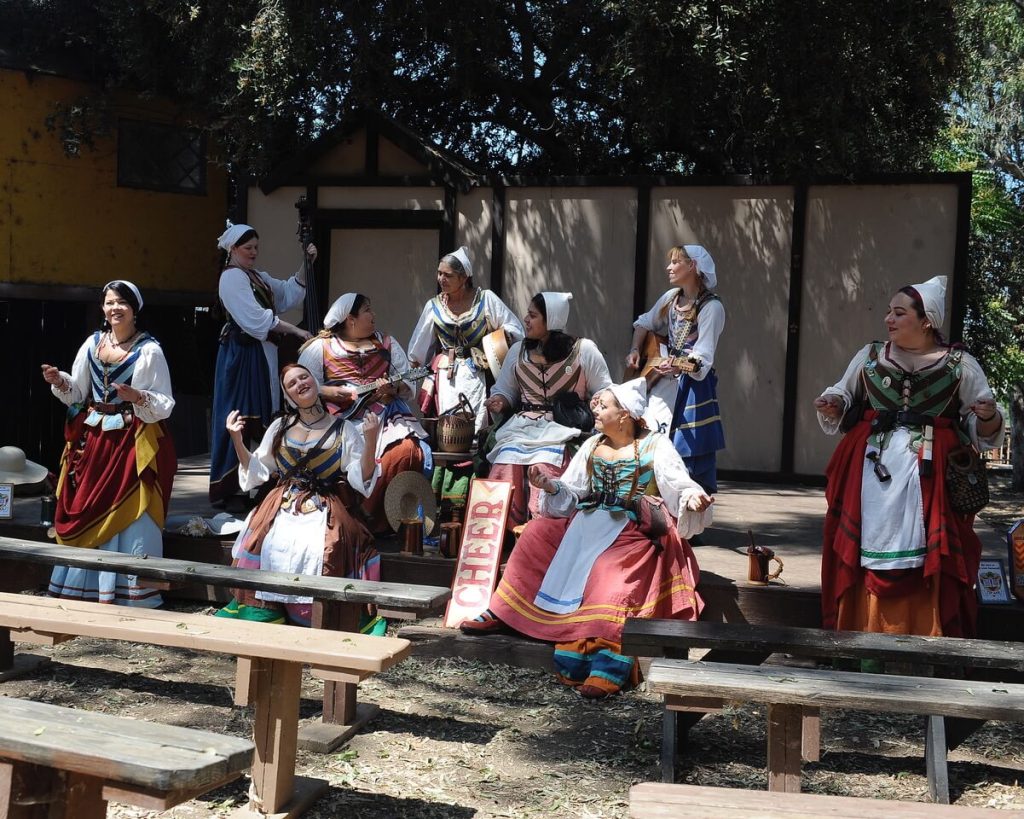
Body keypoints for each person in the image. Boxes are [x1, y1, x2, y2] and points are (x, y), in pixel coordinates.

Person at [461, 379, 713, 698]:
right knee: (536, 533)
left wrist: (691, 498)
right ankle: (505, 611)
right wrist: (551, 486)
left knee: (611, 571)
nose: (594, 409)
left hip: (631, 528)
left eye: (603, 405)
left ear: (625, 415)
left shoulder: (656, 445)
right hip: (586, 523)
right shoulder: (593, 445)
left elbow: (679, 484)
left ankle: (607, 652)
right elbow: (572, 491)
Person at [814, 276, 1005, 639]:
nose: (888, 318)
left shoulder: (959, 364)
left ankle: (924, 642)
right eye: (889, 311)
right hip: (872, 471)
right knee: (863, 550)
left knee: (928, 556)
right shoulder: (869, 357)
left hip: (930, 478)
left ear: (926, 321)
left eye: (899, 313)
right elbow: (844, 395)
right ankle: (860, 637)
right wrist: (834, 403)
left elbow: (985, 425)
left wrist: (986, 415)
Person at [214, 362, 385, 633]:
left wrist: (372, 439)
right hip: (281, 504)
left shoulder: (344, 429)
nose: (300, 384)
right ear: (288, 396)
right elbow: (258, 471)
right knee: (266, 540)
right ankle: (266, 615)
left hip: (325, 508)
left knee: (327, 546)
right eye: (292, 383)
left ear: (316, 382)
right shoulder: (280, 427)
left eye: (304, 377)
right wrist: (237, 439)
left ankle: (317, 616)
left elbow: (361, 479)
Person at [40, 280, 177, 607]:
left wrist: (138, 396)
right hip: (95, 439)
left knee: (131, 511)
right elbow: (78, 391)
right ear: (103, 308)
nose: (115, 308)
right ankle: (81, 587)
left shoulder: (149, 350)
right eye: (110, 302)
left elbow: (164, 401)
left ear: (134, 309)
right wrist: (60, 381)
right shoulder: (92, 344)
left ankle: (130, 591)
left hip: (131, 440)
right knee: (87, 502)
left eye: (122, 303)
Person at [299, 293, 430, 534]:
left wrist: (393, 388)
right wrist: (329, 391)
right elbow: (300, 387)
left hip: (385, 416)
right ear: (351, 319)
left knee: (407, 451)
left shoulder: (386, 344)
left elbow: (407, 387)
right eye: (368, 310)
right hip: (338, 419)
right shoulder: (321, 348)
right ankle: (341, 519)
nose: (374, 316)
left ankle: (374, 519)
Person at [209, 221, 317, 505]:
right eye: (248, 248)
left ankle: (257, 480)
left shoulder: (254, 276)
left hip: (260, 353)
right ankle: (231, 488)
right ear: (232, 249)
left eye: (256, 247)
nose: (253, 252)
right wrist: (295, 331)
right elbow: (256, 320)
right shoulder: (231, 278)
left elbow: (286, 293)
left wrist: (306, 263)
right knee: (241, 415)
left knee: (263, 414)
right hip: (242, 357)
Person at [484, 292, 612, 527]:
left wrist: (597, 403)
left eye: (533, 315)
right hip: (521, 430)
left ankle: (543, 529)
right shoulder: (518, 352)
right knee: (505, 464)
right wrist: (500, 401)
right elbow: (505, 390)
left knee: (544, 468)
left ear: (550, 321)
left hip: (563, 430)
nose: (526, 319)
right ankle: (502, 532)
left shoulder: (583, 351)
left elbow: (605, 390)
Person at [626, 244, 725, 494]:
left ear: (692, 266)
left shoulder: (711, 307)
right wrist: (636, 349)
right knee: (650, 442)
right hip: (662, 382)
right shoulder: (671, 298)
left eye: (675, 262)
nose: (669, 267)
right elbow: (644, 323)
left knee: (685, 454)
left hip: (691, 387)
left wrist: (679, 364)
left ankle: (687, 520)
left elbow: (702, 357)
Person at [408, 246, 524, 432]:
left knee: (479, 421)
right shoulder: (434, 306)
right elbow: (419, 347)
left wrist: (499, 339)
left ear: (464, 278)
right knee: (448, 425)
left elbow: (515, 329)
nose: (441, 279)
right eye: (439, 273)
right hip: (447, 375)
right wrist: (412, 370)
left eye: (448, 275)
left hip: (479, 373)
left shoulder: (486, 299)